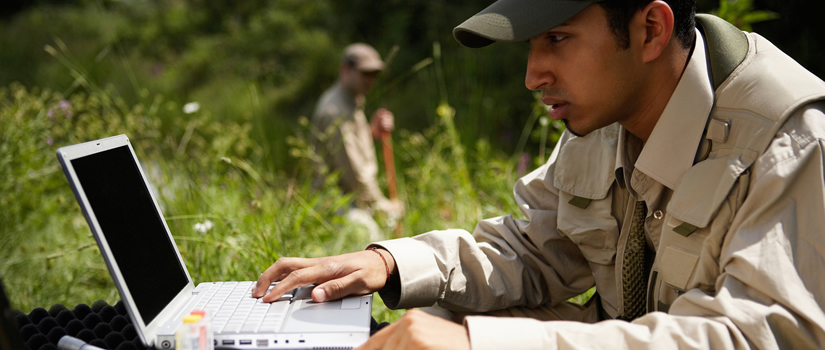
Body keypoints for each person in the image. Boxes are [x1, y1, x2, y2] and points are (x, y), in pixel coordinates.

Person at [255, 0, 825, 348]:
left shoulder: (790, 138)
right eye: (531, 44)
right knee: (436, 321)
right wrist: (389, 261)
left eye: (557, 38)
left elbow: (759, 338)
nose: (532, 75)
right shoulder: (608, 110)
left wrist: (482, 345)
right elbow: (535, 250)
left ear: (651, 29)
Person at [311, 43, 404, 234]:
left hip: (352, 197)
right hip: (335, 202)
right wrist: (383, 205)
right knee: (372, 239)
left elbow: (345, 149)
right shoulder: (335, 111)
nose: (370, 80)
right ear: (345, 69)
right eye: (365, 73)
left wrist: (372, 132)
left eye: (374, 75)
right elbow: (354, 173)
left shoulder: (352, 100)